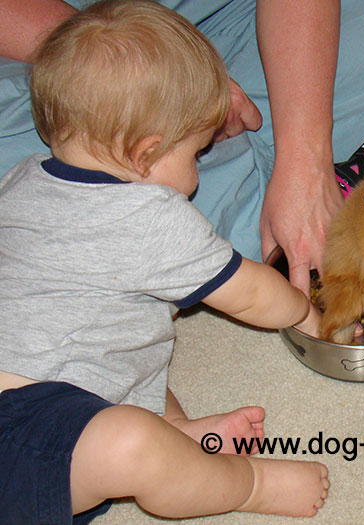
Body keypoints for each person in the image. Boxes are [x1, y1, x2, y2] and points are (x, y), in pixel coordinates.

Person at [0, 2, 329, 522]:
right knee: (130, 443)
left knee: (132, 344)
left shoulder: (22, 178)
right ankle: (247, 485)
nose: (197, 171)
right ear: (145, 155)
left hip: (50, 390)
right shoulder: (150, 215)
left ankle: (178, 435)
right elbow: (249, 294)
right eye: (195, 153)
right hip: (17, 434)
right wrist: (306, 311)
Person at [0, 0, 364, 294]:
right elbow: (252, 298)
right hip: (53, 47)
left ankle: (298, 179)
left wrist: (303, 152)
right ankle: (286, 193)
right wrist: (149, 77)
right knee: (41, 221)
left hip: (227, 14)